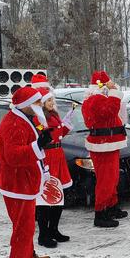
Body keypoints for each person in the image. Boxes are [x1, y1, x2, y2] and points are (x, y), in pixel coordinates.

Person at [0, 86, 53, 258]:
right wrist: (38, 147)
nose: (40, 105)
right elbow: (12, 156)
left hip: (24, 182)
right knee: (23, 228)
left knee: (26, 226)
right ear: (26, 105)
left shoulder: (24, 118)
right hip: (17, 185)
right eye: (36, 102)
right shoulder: (13, 123)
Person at [82, 71, 128, 227]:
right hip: (102, 145)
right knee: (105, 181)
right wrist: (114, 92)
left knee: (112, 178)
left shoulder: (99, 99)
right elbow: (109, 111)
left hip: (109, 143)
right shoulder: (95, 100)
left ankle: (111, 206)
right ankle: (100, 213)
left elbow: (117, 113)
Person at [34, 88, 72, 248]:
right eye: (49, 101)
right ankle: (43, 234)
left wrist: (66, 124)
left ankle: (54, 229)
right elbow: (42, 136)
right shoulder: (39, 118)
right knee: (46, 198)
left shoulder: (53, 115)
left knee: (59, 196)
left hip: (58, 156)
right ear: (42, 103)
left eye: (52, 100)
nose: (52, 103)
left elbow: (59, 133)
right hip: (48, 157)